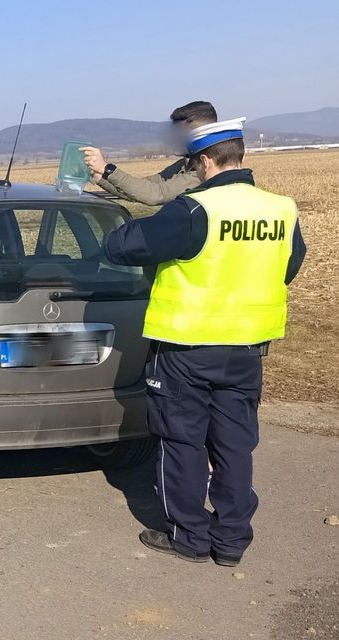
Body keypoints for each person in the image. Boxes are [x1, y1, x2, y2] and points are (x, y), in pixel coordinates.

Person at [103, 117, 307, 567]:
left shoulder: (195, 210)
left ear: (206, 160)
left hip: (186, 349)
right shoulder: (280, 209)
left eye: (195, 165)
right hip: (247, 350)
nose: (194, 173)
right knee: (235, 447)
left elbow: (123, 246)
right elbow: (289, 266)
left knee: (181, 442)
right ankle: (232, 542)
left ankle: (190, 538)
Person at [81, 101, 218, 205]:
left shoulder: (205, 171)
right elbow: (140, 188)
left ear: (198, 134)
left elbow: (155, 195)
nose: (172, 138)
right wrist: (99, 175)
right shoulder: (184, 165)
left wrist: (107, 169)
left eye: (178, 133)